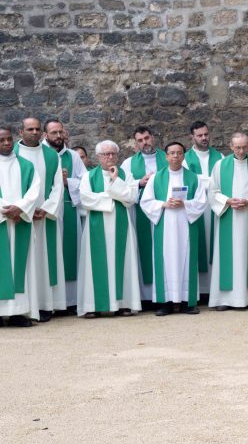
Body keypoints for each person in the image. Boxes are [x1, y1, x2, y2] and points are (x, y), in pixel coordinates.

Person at [140, 142, 208, 315]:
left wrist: (185, 203)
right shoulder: (156, 178)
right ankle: (165, 303)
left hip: (186, 225)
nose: (175, 156)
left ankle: (187, 302)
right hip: (165, 225)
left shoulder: (194, 178)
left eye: (179, 153)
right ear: (166, 156)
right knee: (165, 261)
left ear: (183, 156)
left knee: (186, 260)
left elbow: (201, 202)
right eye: (172, 153)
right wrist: (164, 203)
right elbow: (145, 201)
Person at [78, 140, 142, 317]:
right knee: (94, 264)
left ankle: (124, 303)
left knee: (124, 262)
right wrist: (113, 197)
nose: (110, 157)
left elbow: (131, 198)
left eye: (113, 153)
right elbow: (85, 199)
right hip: (96, 227)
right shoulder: (88, 176)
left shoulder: (125, 174)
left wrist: (115, 181)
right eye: (106, 154)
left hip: (121, 225)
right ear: (98, 157)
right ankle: (94, 305)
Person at [208, 132, 248, 311]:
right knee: (227, 255)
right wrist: (227, 200)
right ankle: (224, 299)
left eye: (244, 147)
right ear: (230, 146)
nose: (242, 151)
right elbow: (212, 191)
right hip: (228, 215)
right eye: (238, 147)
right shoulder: (220, 166)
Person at [16, 117, 66, 321]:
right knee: (24, 261)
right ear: (21, 132)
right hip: (20, 218)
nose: (35, 132)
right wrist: (22, 209)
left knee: (45, 260)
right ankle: (26, 306)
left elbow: (57, 186)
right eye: (30, 129)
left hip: (44, 218)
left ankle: (46, 305)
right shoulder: (12, 155)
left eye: (38, 129)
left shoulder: (51, 155)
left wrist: (45, 209)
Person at [43, 119, 86, 310]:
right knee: (47, 253)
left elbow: (84, 181)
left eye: (60, 132)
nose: (58, 136)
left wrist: (67, 181)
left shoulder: (72, 156)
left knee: (69, 251)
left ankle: (70, 301)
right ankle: (48, 302)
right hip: (45, 210)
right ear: (46, 135)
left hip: (68, 208)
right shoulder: (39, 153)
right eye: (54, 133)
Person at [121, 126, 168, 303]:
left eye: (147, 138)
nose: (144, 142)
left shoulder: (168, 157)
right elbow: (124, 187)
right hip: (140, 212)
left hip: (164, 212)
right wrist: (140, 182)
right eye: (140, 140)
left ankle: (166, 294)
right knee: (144, 251)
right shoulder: (128, 163)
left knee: (165, 251)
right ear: (136, 143)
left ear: (153, 137)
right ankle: (146, 296)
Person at [0, 127, 41, 327]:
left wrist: (20, 208)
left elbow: (34, 190)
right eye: (2, 140)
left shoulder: (26, 165)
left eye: (9, 139)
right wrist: (6, 210)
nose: (7, 143)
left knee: (21, 268)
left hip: (20, 222)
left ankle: (19, 312)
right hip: (2, 221)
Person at [184, 121, 223, 295]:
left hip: (216, 208)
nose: (204, 138)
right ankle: (200, 290)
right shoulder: (184, 159)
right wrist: (208, 181)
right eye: (199, 135)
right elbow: (187, 181)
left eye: (206, 134)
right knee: (197, 245)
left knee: (215, 245)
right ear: (192, 137)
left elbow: (222, 181)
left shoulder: (220, 157)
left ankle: (214, 289)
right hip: (195, 208)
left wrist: (202, 180)